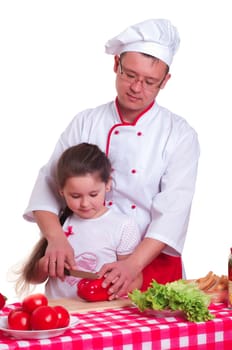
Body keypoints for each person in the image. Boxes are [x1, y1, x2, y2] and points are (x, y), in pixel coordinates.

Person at [23, 18, 200, 299]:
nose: (136, 87)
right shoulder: (86, 122)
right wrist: (55, 239)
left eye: (150, 81)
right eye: (129, 74)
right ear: (115, 64)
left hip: (149, 263)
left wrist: (132, 264)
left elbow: (173, 213)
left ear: (165, 82)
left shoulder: (179, 135)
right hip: (87, 259)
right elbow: (49, 183)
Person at [17, 143, 142, 298]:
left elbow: (135, 279)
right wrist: (45, 266)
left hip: (100, 313)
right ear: (61, 191)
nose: (84, 203)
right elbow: (32, 278)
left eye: (93, 194)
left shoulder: (123, 226)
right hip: (60, 312)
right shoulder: (57, 224)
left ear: (108, 184)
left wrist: (115, 291)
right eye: (75, 196)